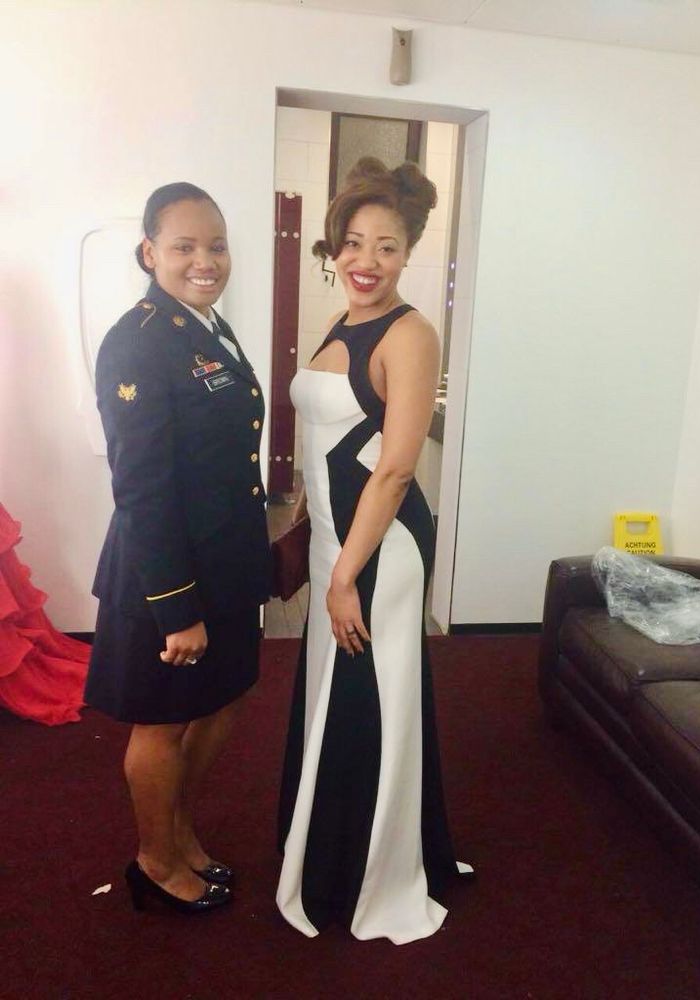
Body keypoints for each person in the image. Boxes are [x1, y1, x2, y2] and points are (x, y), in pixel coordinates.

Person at [276, 158, 471, 945]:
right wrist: (307, 523)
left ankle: (372, 870)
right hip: (338, 540)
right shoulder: (341, 318)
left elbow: (394, 469)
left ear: (409, 252)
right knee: (338, 696)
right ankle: (333, 850)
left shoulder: (411, 334)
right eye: (354, 243)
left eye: (387, 247)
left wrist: (345, 576)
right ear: (334, 247)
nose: (367, 261)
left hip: (379, 550)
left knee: (369, 700)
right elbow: (330, 439)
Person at [85, 182, 271, 913]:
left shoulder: (206, 325)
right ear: (149, 252)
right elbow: (141, 487)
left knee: (220, 702)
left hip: (223, 565)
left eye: (216, 246)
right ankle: (156, 862)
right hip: (166, 574)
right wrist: (176, 609)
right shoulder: (137, 340)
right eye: (185, 246)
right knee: (162, 723)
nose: (206, 260)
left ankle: (180, 829)